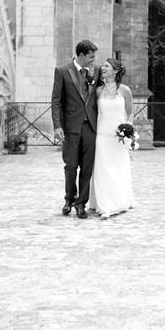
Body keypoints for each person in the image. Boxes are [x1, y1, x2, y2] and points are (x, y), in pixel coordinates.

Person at [51, 40, 98, 219]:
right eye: (91, 57)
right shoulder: (62, 71)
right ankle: (69, 198)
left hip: (91, 128)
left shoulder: (97, 70)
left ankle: (81, 204)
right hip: (71, 127)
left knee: (87, 167)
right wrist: (57, 126)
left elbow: (109, 85)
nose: (93, 60)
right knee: (70, 166)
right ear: (81, 55)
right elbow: (56, 101)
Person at [87, 58, 135, 219]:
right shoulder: (98, 90)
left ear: (115, 71)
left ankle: (120, 200)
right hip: (102, 135)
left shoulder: (125, 90)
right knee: (102, 170)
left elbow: (129, 113)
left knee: (119, 169)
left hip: (119, 138)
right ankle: (104, 205)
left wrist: (128, 132)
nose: (103, 68)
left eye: (107, 66)